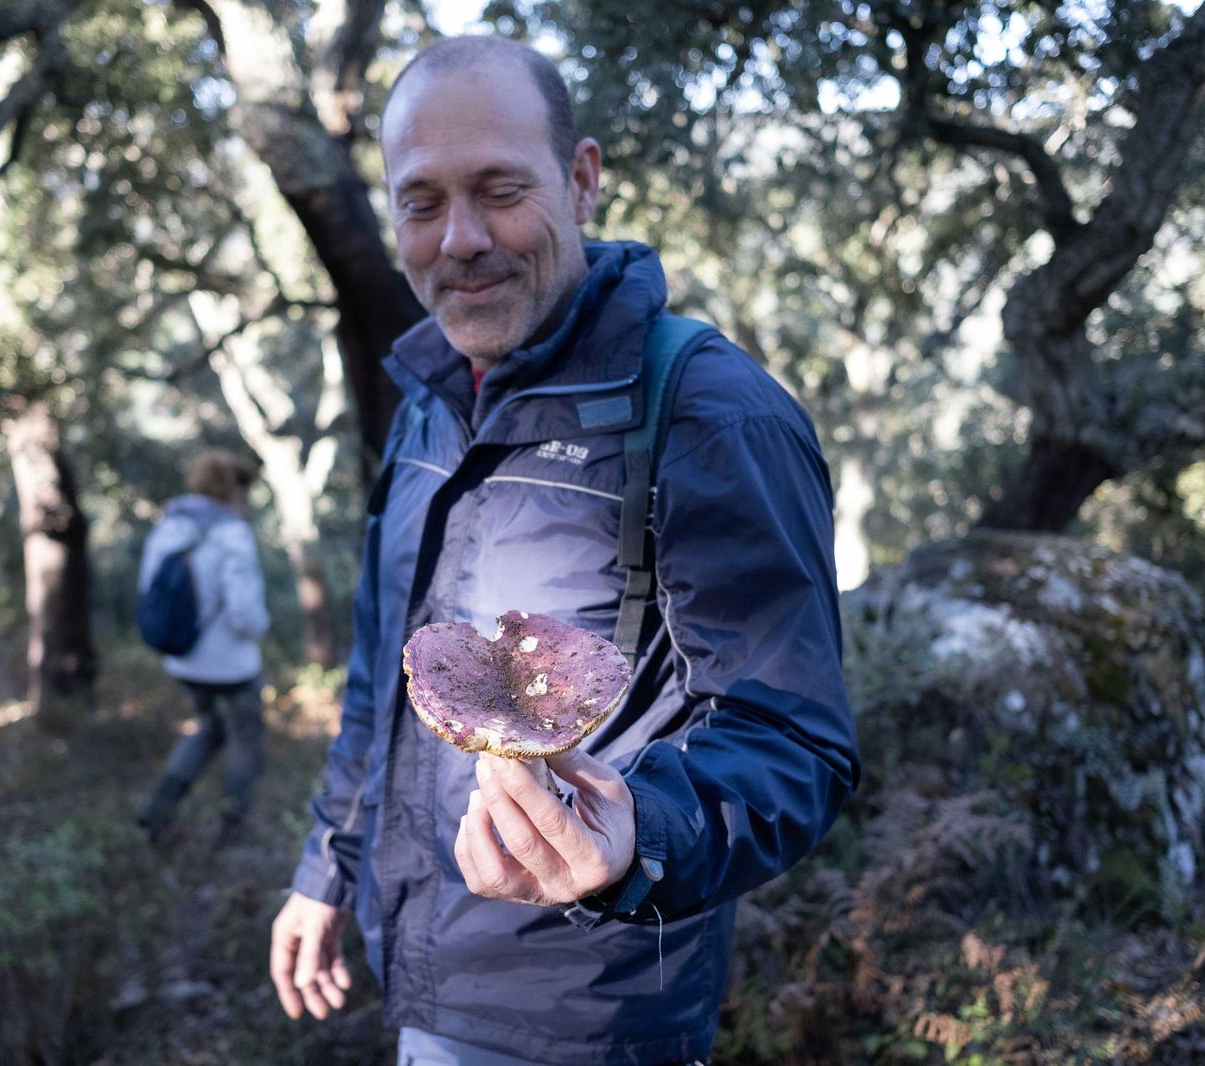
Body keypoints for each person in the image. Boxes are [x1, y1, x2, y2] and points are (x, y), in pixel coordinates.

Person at [271, 35, 860, 1065]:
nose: (458, 239)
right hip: (420, 972)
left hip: (591, 1016)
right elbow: (382, 687)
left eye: (500, 189)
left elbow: (795, 741)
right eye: (420, 201)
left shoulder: (708, 415)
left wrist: (642, 832)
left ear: (581, 180)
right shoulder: (429, 405)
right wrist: (326, 869)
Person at [136, 448, 272, 846]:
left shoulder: (170, 525)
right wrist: (260, 629)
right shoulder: (231, 533)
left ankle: (158, 809)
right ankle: (235, 828)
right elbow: (244, 612)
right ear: (233, 488)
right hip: (230, 665)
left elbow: (149, 591)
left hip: (185, 660)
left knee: (208, 728)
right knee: (246, 740)